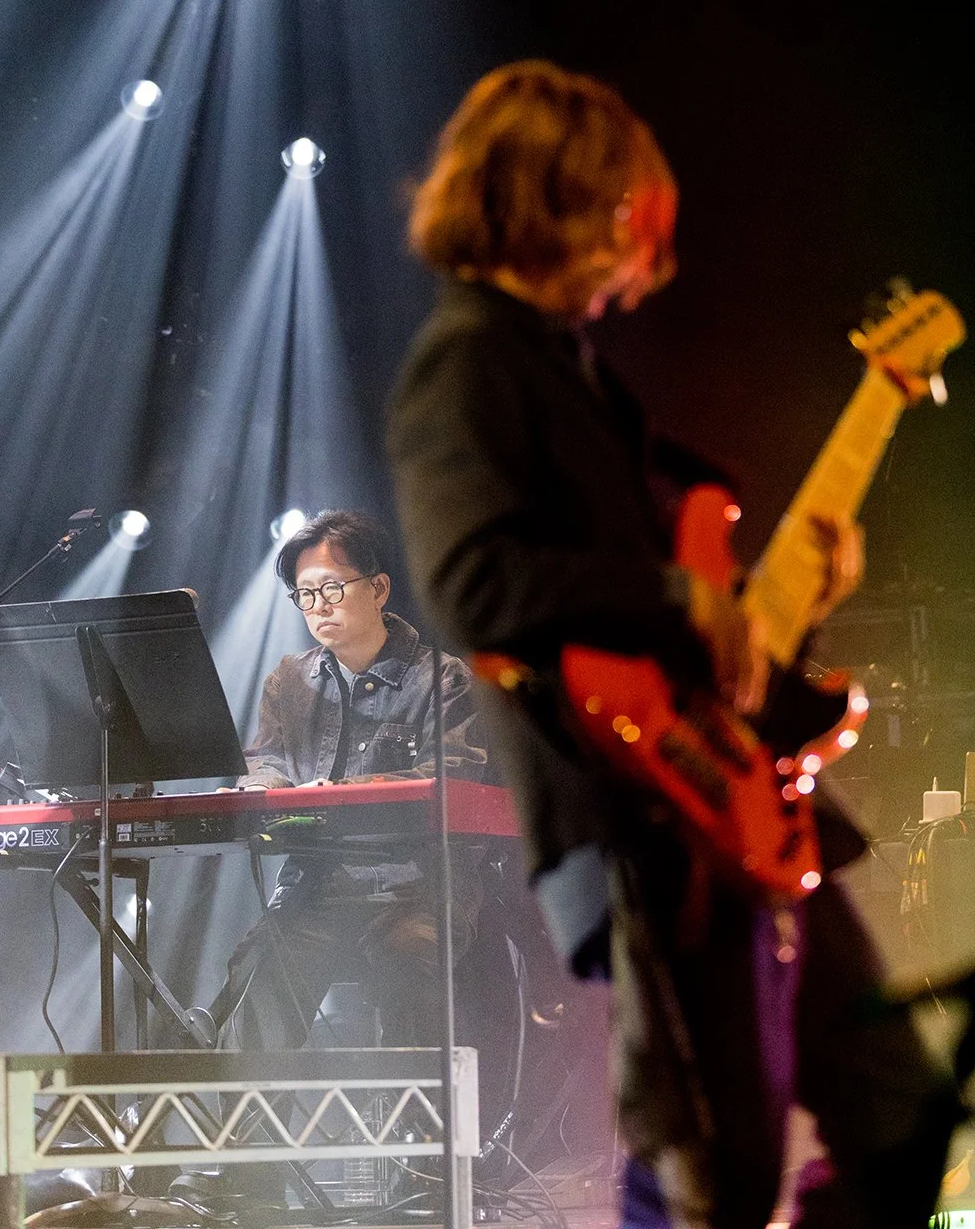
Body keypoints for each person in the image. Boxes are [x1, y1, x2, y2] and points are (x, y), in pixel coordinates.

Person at [385, 60, 962, 1228]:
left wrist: (761, 598)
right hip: (636, 821)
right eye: (619, 219)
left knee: (899, 1115)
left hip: (736, 805)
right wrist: (677, 597)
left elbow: (672, 604)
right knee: (716, 1173)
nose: (640, 259)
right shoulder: (467, 363)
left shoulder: (575, 373)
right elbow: (471, 585)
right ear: (546, 198)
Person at [208, 509, 486, 1057]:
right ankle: (257, 1139)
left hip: (418, 888)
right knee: (257, 970)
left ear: (379, 587)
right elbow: (269, 763)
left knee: (408, 960)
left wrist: (331, 796)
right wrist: (254, 789)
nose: (319, 606)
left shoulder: (443, 678)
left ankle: (419, 1137)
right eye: (305, 594)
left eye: (332, 587)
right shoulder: (289, 681)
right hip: (316, 890)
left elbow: (452, 776)